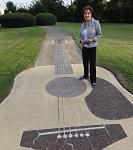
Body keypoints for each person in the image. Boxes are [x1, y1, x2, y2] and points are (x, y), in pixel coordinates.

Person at [79, 5, 102, 88]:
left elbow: (99, 34)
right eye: (85, 13)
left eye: (88, 13)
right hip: (84, 47)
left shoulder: (96, 23)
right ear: (83, 15)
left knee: (92, 64)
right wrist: (81, 40)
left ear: (91, 14)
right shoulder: (82, 24)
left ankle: (93, 80)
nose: (87, 15)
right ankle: (85, 75)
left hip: (92, 47)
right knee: (85, 62)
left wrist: (92, 40)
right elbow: (81, 36)